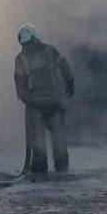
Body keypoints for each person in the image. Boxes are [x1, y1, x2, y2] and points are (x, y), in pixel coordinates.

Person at [14, 24, 74, 173]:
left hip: (36, 106)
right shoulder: (50, 51)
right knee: (58, 143)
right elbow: (65, 68)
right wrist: (70, 84)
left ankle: (42, 174)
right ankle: (62, 172)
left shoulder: (21, 58)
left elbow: (19, 82)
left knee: (39, 144)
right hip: (54, 103)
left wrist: (25, 98)